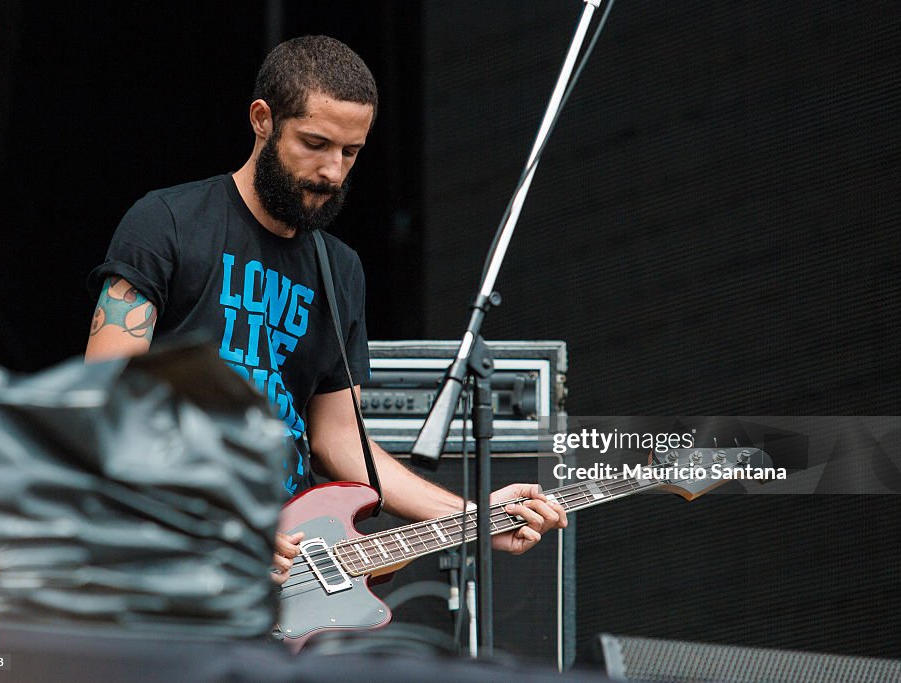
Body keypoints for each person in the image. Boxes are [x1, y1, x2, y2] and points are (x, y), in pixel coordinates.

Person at [85, 35, 566, 586]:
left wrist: (473, 518)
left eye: (350, 152)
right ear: (262, 119)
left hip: (289, 571)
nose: (333, 172)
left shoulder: (339, 270)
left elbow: (338, 439)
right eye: (315, 144)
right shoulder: (167, 221)